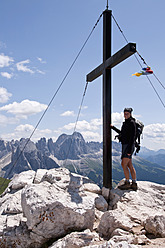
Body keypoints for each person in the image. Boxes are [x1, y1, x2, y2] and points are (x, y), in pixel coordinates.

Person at [111, 108, 137, 191]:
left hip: (128, 146)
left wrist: (129, 150)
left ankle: (127, 183)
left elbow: (133, 137)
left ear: (130, 114)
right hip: (126, 146)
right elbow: (122, 133)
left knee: (123, 164)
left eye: (127, 114)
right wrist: (113, 127)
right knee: (129, 165)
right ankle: (134, 183)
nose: (125, 115)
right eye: (125, 113)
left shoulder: (132, 123)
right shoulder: (126, 123)